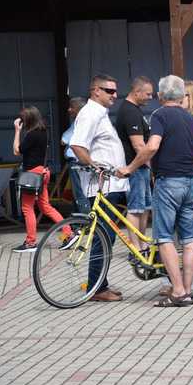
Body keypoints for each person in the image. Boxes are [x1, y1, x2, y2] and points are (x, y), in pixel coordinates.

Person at [118, 75, 193, 307]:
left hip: (168, 182)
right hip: (189, 182)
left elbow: (152, 146)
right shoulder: (192, 119)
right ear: (182, 94)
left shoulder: (159, 115)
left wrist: (130, 167)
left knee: (163, 237)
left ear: (162, 96)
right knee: (188, 239)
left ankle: (177, 291)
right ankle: (187, 290)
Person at [70, 74, 129, 302]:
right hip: (102, 186)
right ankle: (96, 288)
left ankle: (100, 283)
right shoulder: (90, 113)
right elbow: (77, 144)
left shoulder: (99, 113)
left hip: (112, 184)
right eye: (109, 91)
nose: (114, 95)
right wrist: (93, 165)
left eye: (115, 91)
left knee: (107, 236)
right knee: (102, 237)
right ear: (95, 90)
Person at [12, 106, 75, 253]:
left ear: (28, 120)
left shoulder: (32, 135)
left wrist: (17, 131)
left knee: (27, 208)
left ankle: (30, 242)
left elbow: (16, 151)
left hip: (32, 174)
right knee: (45, 207)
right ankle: (69, 233)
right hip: (43, 172)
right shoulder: (43, 132)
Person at [115, 76, 154, 254]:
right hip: (136, 167)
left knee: (145, 207)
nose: (150, 97)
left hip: (142, 168)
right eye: (147, 94)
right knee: (136, 207)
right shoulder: (130, 112)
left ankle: (142, 243)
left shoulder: (135, 110)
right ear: (136, 92)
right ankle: (135, 247)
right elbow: (138, 145)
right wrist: (150, 164)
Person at [61, 97, 90, 214]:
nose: (69, 110)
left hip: (77, 162)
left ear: (78, 109)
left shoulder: (79, 122)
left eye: (71, 107)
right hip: (82, 161)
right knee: (82, 193)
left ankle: (84, 222)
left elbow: (64, 140)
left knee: (80, 194)